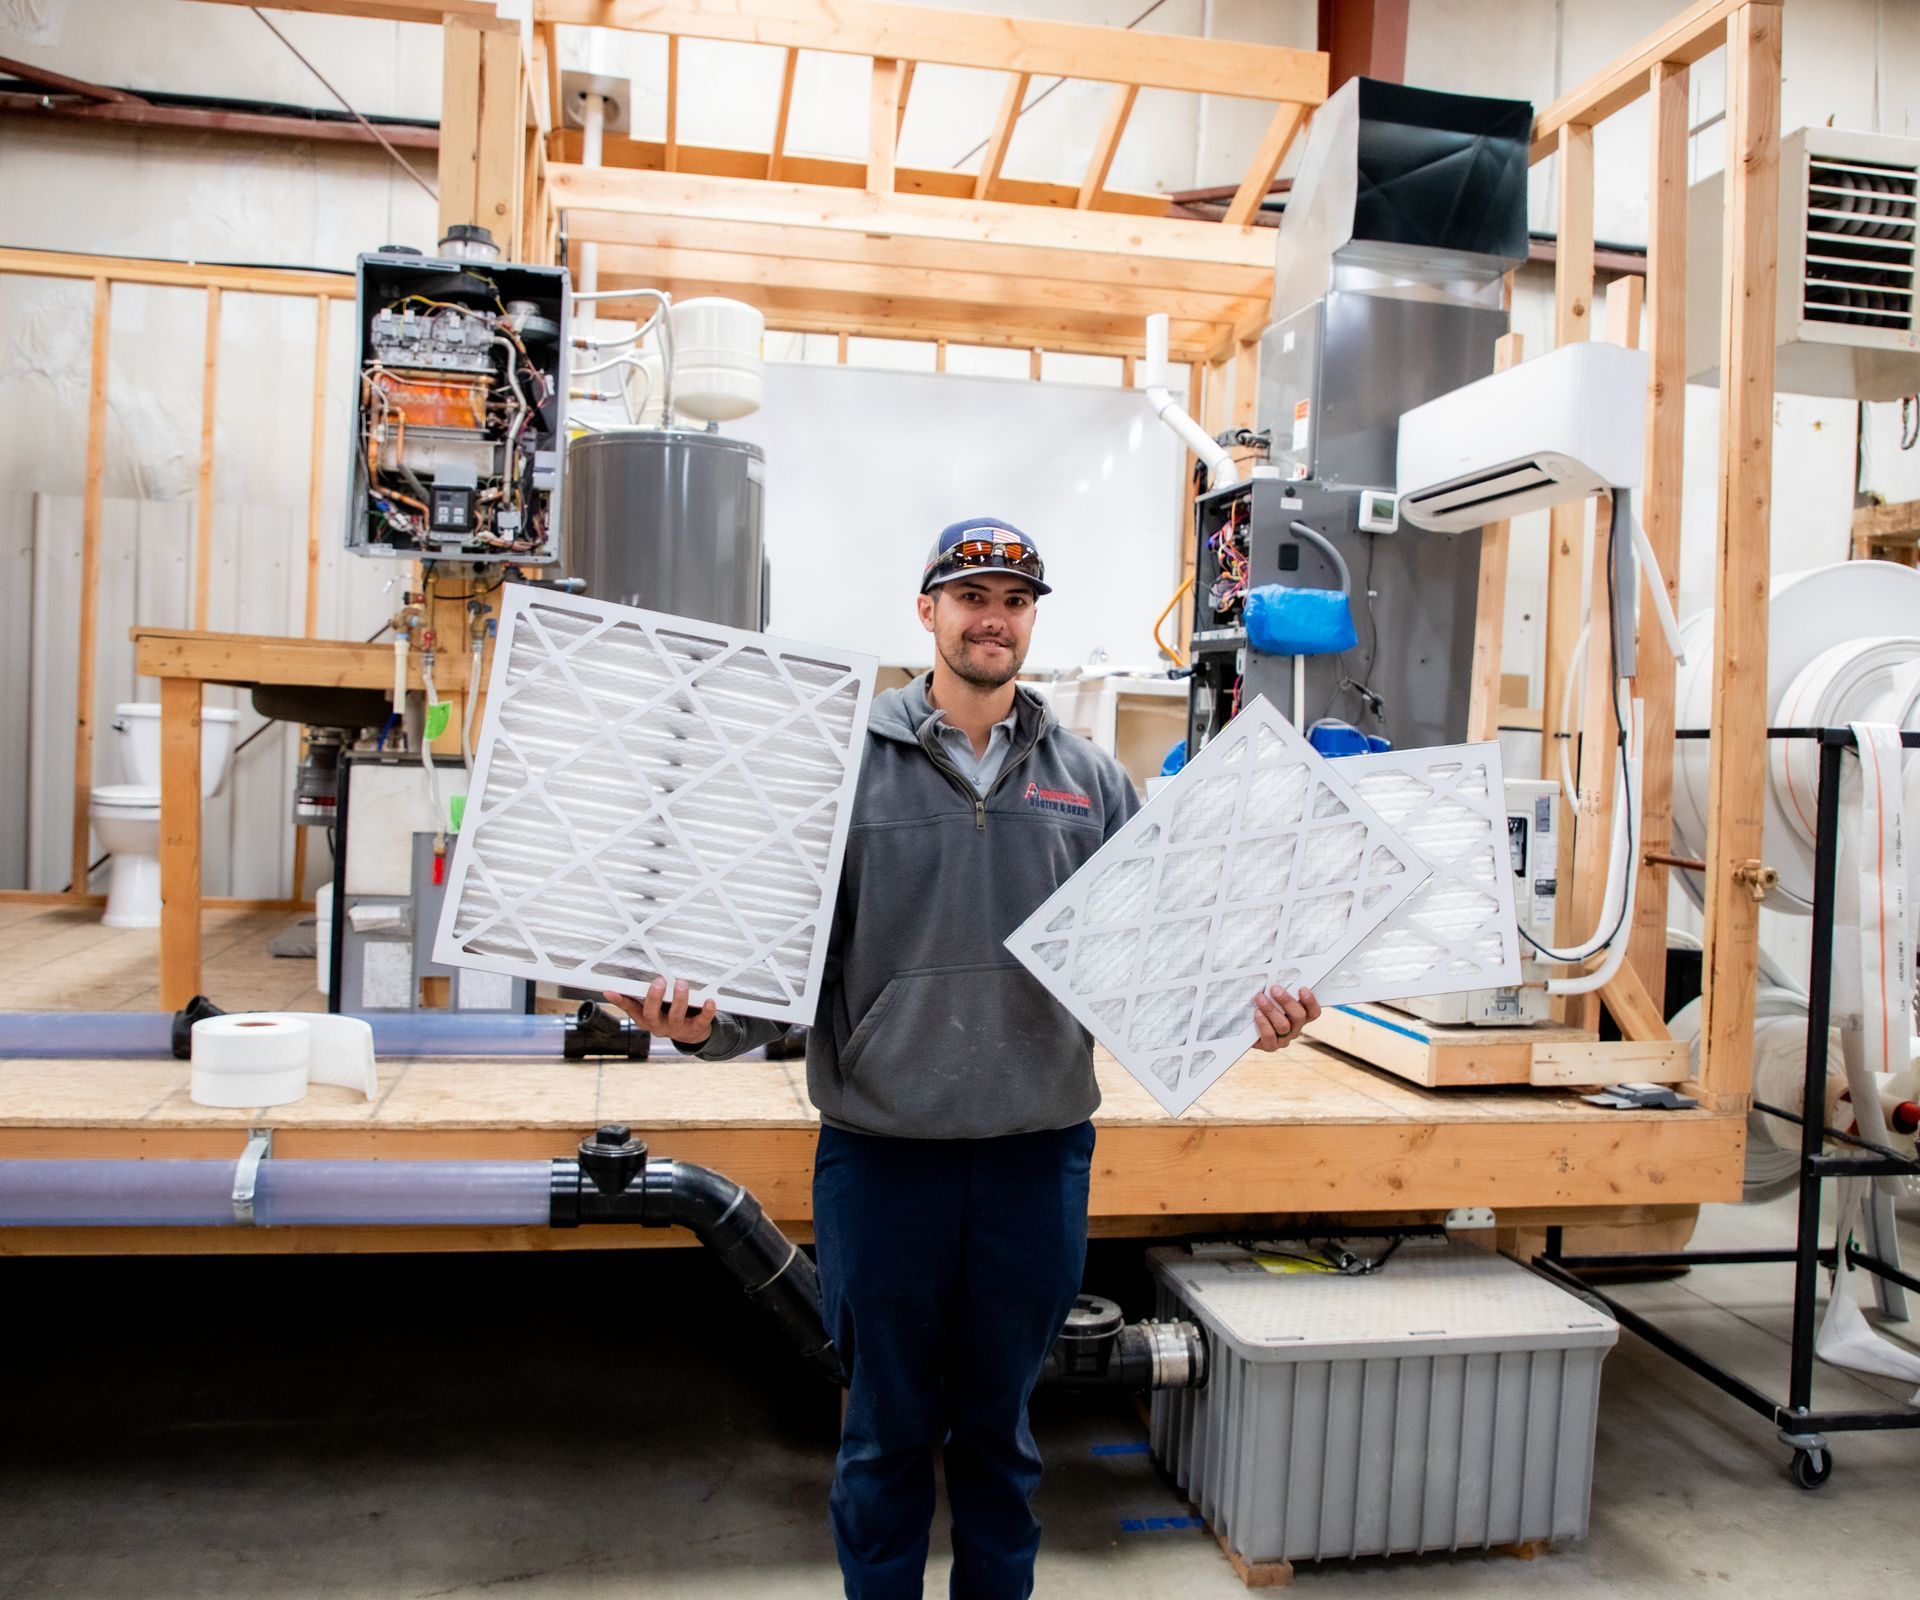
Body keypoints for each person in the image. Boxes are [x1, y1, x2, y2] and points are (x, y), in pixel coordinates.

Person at [606, 515, 1320, 1599]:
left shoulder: (1091, 782)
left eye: (1016, 599)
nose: (995, 617)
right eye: (973, 595)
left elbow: (1161, 959)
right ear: (928, 609)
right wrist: (700, 1027)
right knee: (883, 1439)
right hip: (884, 1160)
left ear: (1033, 619)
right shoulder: (841, 769)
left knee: (1001, 1440)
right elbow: (777, 969)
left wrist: (1248, 1013)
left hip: (1036, 1161)